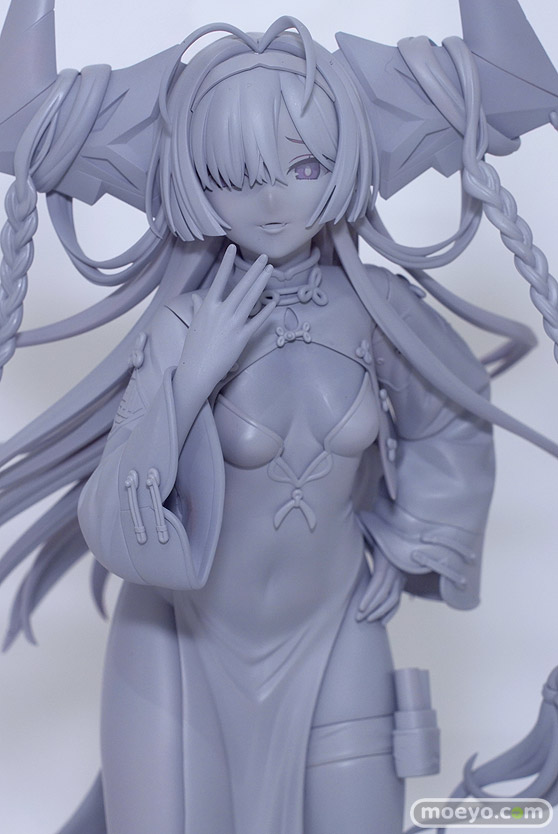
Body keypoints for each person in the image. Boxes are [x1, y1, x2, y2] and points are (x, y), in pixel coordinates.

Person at [1, 2, 557, 832]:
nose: (269, 200)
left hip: (334, 633)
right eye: (231, 177)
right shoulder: (184, 324)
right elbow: (115, 520)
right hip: (181, 645)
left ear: (344, 164)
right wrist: (188, 380)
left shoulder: (377, 312)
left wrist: (413, 538)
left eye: (302, 166)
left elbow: (450, 417)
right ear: (193, 184)